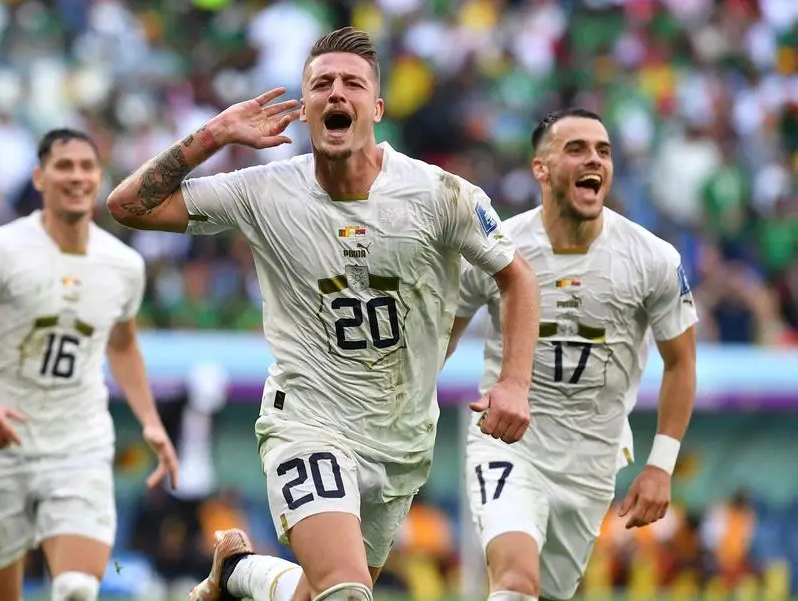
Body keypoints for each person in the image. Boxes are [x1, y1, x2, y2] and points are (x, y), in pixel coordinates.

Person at [106, 26, 540, 601]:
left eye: (353, 84)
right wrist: (214, 134)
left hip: (401, 436)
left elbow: (517, 276)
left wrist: (514, 382)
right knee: (345, 593)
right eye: (322, 84)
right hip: (306, 420)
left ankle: (237, 575)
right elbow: (128, 205)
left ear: (377, 108)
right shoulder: (264, 191)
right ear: (305, 109)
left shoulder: (443, 196)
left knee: (318, 595)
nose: (337, 94)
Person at [446, 108, 699, 601]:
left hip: (592, 460)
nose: (595, 160)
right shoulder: (499, 246)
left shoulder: (652, 258)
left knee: (547, 593)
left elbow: (681, 362)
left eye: (604, 151)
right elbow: (443, 334)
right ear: (541, 168)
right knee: (515, 581)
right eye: (577, 149)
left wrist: (660, 465)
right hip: (508, 444)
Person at [0, 128, 180, 601]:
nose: (77, 176)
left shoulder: (123, 264)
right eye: (64, 166)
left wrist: (150, 422)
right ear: (40, 177)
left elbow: (122, 347)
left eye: (87, 166)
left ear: (100, 178)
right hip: (0, 446)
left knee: (78, 588)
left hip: (78, 445)